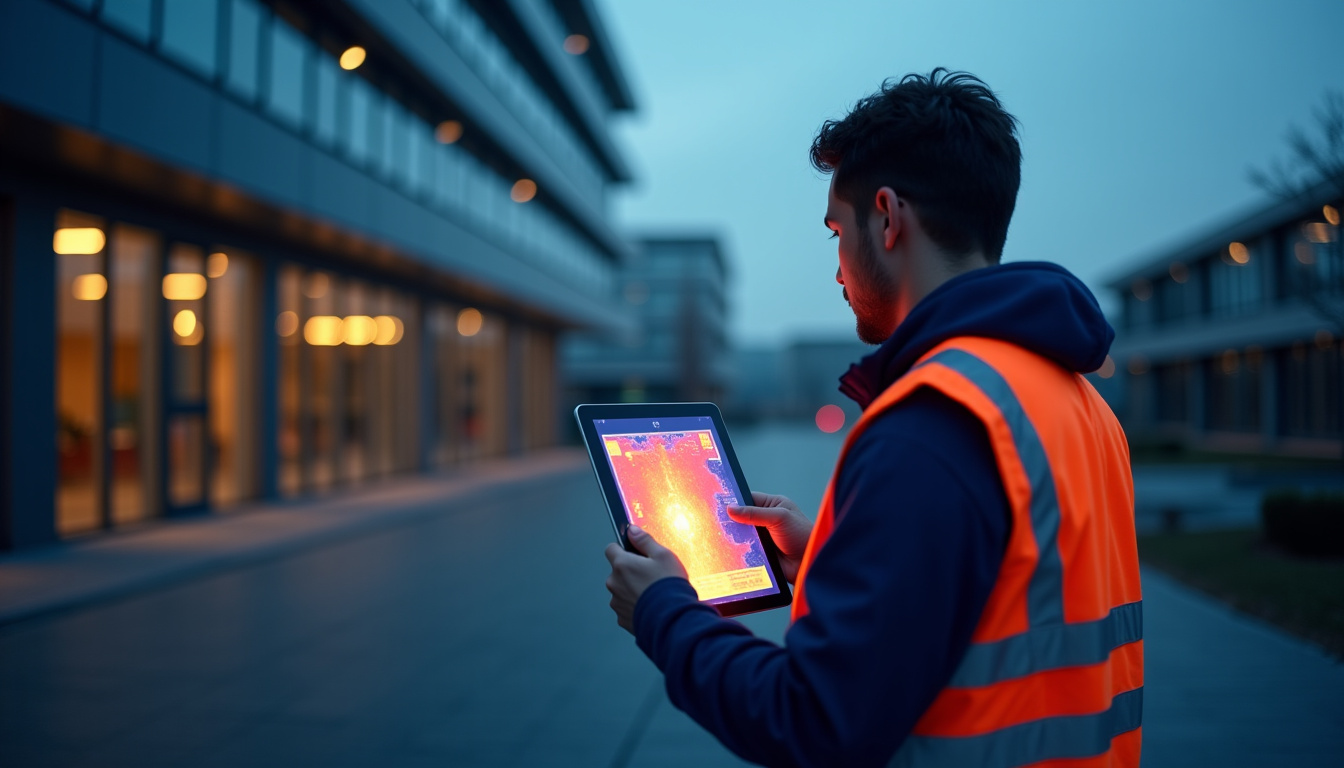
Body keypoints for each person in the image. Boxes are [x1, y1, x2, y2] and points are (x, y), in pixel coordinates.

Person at [604, 69, 1142, 768]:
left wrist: (665, 613)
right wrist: (830, 552)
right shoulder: (1073, 400)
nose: (835, 269)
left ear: (887, 218)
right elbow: (1005, 601)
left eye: (837, 231)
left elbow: (812, 722)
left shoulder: (933, 424)